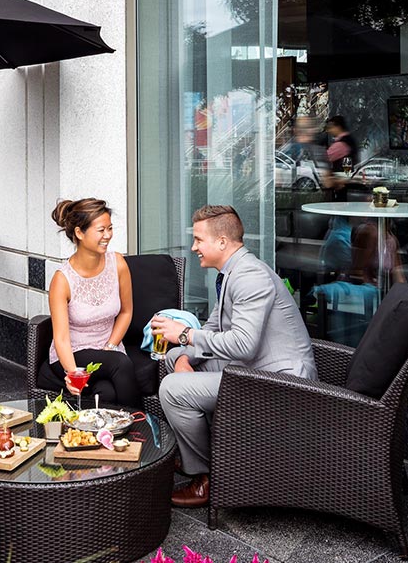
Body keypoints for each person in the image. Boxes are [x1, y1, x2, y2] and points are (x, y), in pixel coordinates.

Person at [150, 205, 317, 507]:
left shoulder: (250, 276)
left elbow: (243, 345)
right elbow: (215, 326)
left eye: (199, 240)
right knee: (174, 358)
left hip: (278, 382)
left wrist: (185, 334)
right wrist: (186, 355)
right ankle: (202, 449)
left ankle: (206, 476)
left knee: (172, 389)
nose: (194, 247)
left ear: (223, 242)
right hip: (250, 368)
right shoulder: (231, 272)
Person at [43, 198, 141, 407]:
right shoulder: (62, 280)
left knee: (107, 392)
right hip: (73, 353)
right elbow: (61, 338)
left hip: (109, 349)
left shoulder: (118, 263)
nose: (108, 236)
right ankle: (140, 430)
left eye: (110, 228)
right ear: (79, 233)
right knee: (121, 364)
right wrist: (72, 373)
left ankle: (105, 437)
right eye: (101, 230)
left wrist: (111, 346)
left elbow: (126, 311)